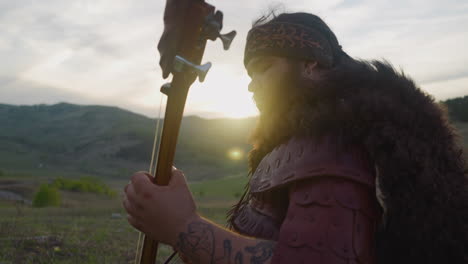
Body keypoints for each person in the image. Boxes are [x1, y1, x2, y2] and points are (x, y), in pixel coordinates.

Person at [123, 8, 468, 264]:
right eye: (249, 72)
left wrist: (184, 227)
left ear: (311, 64)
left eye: (264, 67)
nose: (251, 83)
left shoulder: (336, 141)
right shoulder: (305, 137)